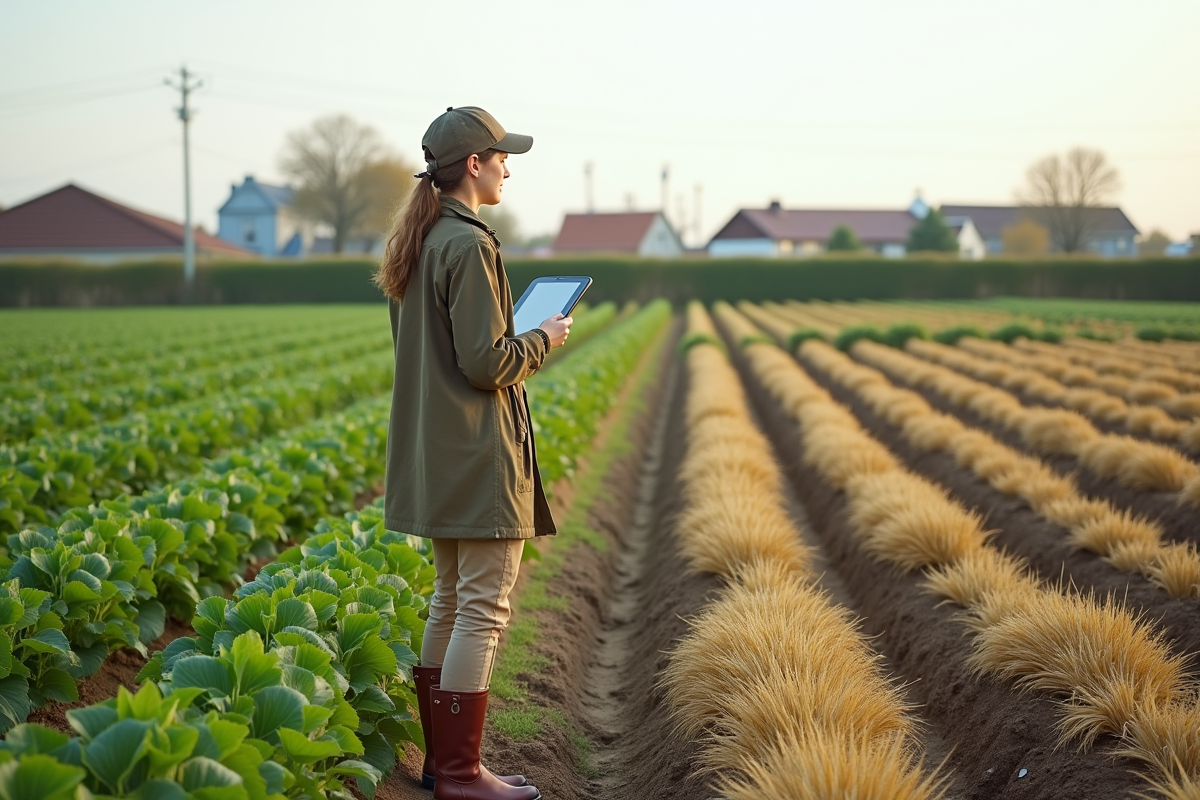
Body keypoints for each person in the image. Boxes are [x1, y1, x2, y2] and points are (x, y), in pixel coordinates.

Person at [374, 107, 568, 800]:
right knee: (483, 607)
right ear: (474, 166)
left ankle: (441, 765)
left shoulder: (420, 241)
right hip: (478, 454)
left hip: (435, 453)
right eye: (501, 156)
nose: (509, 167)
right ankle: (460, 774)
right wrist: (544, 337)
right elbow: (487, 363)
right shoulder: (468, 244)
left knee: (451, 601)